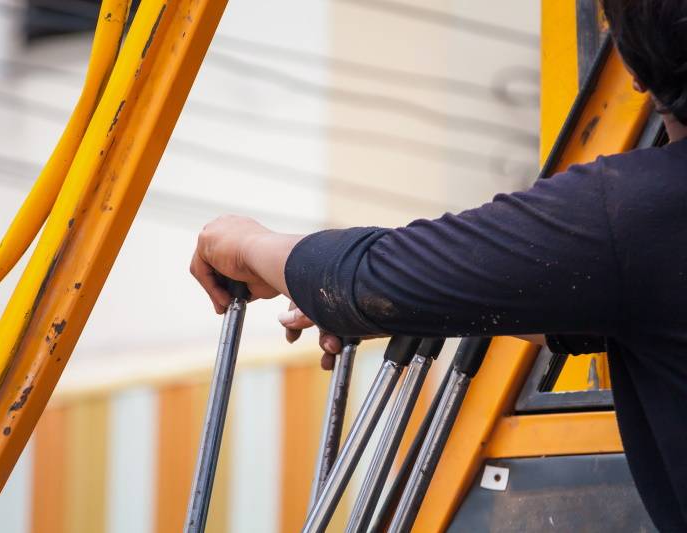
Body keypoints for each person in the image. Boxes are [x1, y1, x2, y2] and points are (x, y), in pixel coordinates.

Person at [189, 0, 687, 530]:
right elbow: (587, 306)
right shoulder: (636, 240)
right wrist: (429, 299)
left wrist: (247, 244)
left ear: (631, 69)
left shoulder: (634, 211)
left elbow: (366, 278)